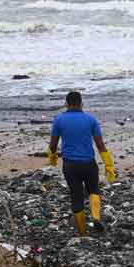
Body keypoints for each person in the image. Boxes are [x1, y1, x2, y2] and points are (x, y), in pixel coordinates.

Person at [48, 91, 117, 235]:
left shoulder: (59, 120)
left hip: (70, 165)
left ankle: (83, 233)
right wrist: (109, 165)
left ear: (66, 104)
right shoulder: (90, 120)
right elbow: (100, 145)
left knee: (76, 196)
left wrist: (53, 158)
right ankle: (96, 218)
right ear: (81, 103)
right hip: (89, 164)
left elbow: (53, 145)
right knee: (93, 190)